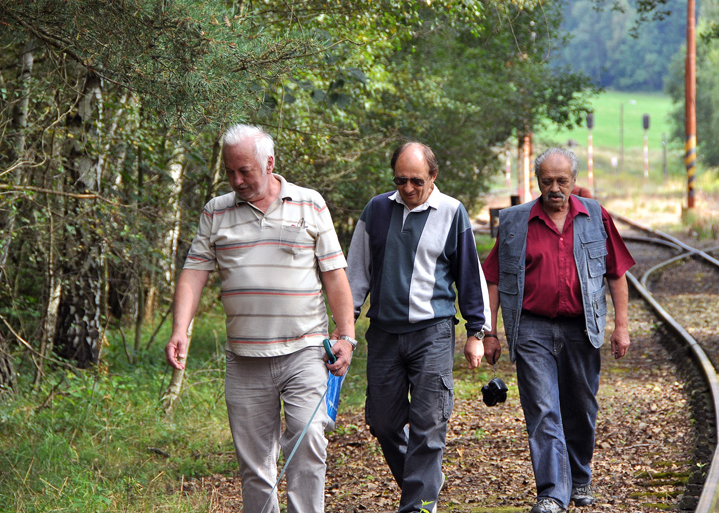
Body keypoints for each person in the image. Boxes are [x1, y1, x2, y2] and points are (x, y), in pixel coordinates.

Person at [164, 124, 355, 513]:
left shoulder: (309, 203)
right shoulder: (215, 211)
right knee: (254, 463)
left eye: (245, 171)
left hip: (306, 350)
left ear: (269, 163)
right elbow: (194, 273)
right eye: (230, 171)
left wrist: (347, 336)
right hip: (245, 357)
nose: (237, 180)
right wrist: (179, 330)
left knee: (307, 437)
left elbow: (334, 274)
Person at [480, 147, 635, 513]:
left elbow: (616, 274)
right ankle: (551, 493)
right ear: (537, 182)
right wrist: (489, 332)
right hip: (531, 328)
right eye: (547, 181)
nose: (554, 189)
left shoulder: (596, 216)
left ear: (574, 181)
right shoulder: (516, 222)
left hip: (582, 327)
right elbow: (494, 280)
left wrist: (622, 327)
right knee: (543, 410)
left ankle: (580, 478)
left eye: (562, 181)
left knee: (581, 408)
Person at [340, 142, 491, 513]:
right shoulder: (376, 210)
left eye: (416, 181)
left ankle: (420, 506)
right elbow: (356, 272)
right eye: (400, 180)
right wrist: (344, 328)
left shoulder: (452, 212)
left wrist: (477, 332)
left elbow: (470, 276)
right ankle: (425, 483)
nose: (408, 188)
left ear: (433, 176)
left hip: (433, 333)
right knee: (383, 422)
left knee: (428, 425)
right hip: (385, 334)